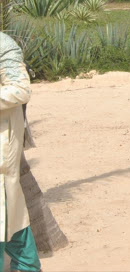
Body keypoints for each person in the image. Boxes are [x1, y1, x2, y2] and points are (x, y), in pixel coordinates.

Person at [0, 32, 41, 271]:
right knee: (11, 217)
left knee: (7, 212)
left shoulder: (3, 45)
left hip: (3, 144)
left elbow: (20, 89)